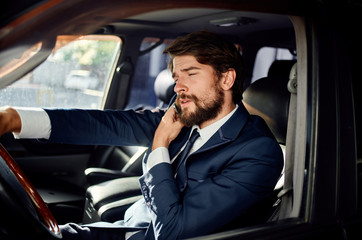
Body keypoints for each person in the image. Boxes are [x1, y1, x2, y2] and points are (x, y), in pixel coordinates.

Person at [0, 31, 283, 240]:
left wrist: (160, 144)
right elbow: (107, 124)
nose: (178, 87)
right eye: (176, 77)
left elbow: (172, 231)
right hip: (129, 227)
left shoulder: (258, 152)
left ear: (226, 79)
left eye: (191, 74)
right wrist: (14, 118)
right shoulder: (186, 116)